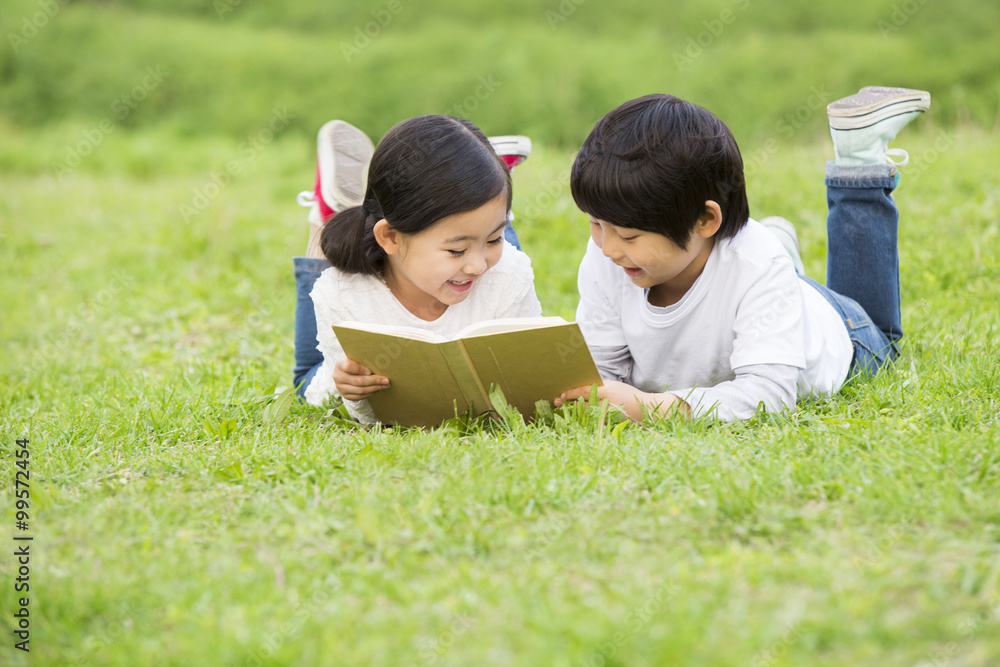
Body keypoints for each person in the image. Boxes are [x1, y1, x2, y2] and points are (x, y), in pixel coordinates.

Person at [556, 87, 930, 421]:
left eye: (629, 235)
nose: (607, 248)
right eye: (595, 224)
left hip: (843, 330)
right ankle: (787, 263)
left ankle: (859, 161)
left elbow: (770, 395)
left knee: (883, 337)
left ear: (705, 220)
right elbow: (599, 370)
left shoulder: (756, 265)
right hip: (763, 288)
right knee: (761, 272)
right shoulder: (610, 255)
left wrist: (651, 408)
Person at [291, 115, 542, 423]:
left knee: (498, 252)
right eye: (456, 250)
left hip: (463, 228)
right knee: (305, 382)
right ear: (391, 238)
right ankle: (327, 213)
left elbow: (532, 383)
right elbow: (367, 417)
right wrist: (350, 387)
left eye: (495, 238)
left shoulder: (507, 274)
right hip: (351, 290)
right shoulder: (343, 291)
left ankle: (485, 178)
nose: (477, 266)